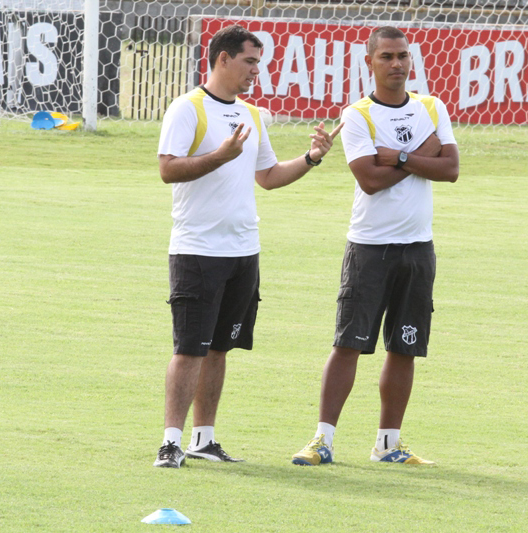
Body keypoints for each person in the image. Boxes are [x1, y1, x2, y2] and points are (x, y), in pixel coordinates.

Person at [154, 24, 343, 468]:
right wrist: (218, 156)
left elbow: (269, 177)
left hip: (243, 251)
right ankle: (169, 442)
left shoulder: (255, 116)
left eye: (259, 62)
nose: (256, 71)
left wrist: (312, 158)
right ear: (223, 59)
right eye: (250, 61)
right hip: (197, 249)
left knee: (220, 349)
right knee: (189, 349)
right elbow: (168, 170)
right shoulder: (187, 109)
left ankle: (204, 438)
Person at [292, 26, 459, 466]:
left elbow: (452, 169)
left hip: (418, 249)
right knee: (349, 343)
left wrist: (399, 156)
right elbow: (369, 181)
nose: (397, 64)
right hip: (369, 248)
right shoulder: (358, 115)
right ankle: (322, 440)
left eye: (403, 55)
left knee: (405, 347)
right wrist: (423, 154)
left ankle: (389, 443)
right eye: (386, 56)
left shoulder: (432, 106)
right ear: (370, 62)